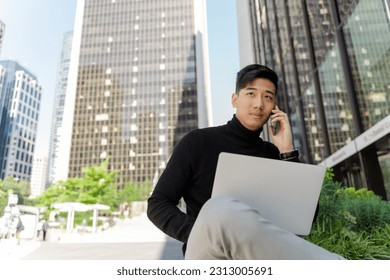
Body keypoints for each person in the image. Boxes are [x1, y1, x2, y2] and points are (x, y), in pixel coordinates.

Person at [147, 64, 344, 260]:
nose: (259, 104)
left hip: (257, 257)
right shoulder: (197, 142)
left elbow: (305, 217)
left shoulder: (272, 153)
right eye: (251, 94)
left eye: (268, 97)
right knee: (221, 208)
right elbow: (158, 204)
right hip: (208, 255)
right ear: (235, 99)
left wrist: (287, 151)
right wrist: (202, 232)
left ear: (274, 107)